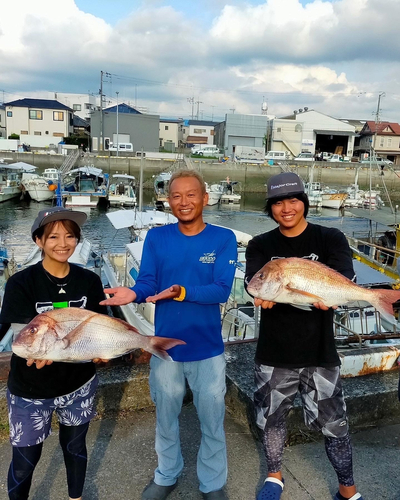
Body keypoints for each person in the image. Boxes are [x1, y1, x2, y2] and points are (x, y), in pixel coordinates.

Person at [101, 170, 237, 500]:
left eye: (191, 195)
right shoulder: (158, 239)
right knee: (165, 418)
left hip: (207, 349)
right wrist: (132, 294)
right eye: (176, 196)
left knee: (212, 421)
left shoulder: (223, 238)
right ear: (168, 200)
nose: (184, 201)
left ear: (205, 198)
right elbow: (148, 282)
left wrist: (179, 291)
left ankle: (213, 482)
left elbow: (220, 290)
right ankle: (167, 473)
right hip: (165, 348)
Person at [244, 172, 364, 500]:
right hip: (274, 352)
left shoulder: (330, 237)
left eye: (293, 199)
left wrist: (335, 295)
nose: (286, 208)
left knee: (335, 425)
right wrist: (260, 289)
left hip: (320, 352)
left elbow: (343, 278)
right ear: (270, 208)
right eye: (278, 202)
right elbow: (251, 282)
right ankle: (274, 476)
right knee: (271, 420)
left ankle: (348, 490)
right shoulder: (260, 245)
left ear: (305, 202)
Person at [0, 206, 107, 500]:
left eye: (70, 236)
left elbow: (99, 329)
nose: (63, 243)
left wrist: (103, 350)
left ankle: (76, 497)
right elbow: (25, 339)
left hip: (79, 384)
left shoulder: (90, 281)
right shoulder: (20, 283)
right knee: (24, 462)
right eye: (54, 237)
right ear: (39, 241)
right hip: (30, 390)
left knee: (75, 450)